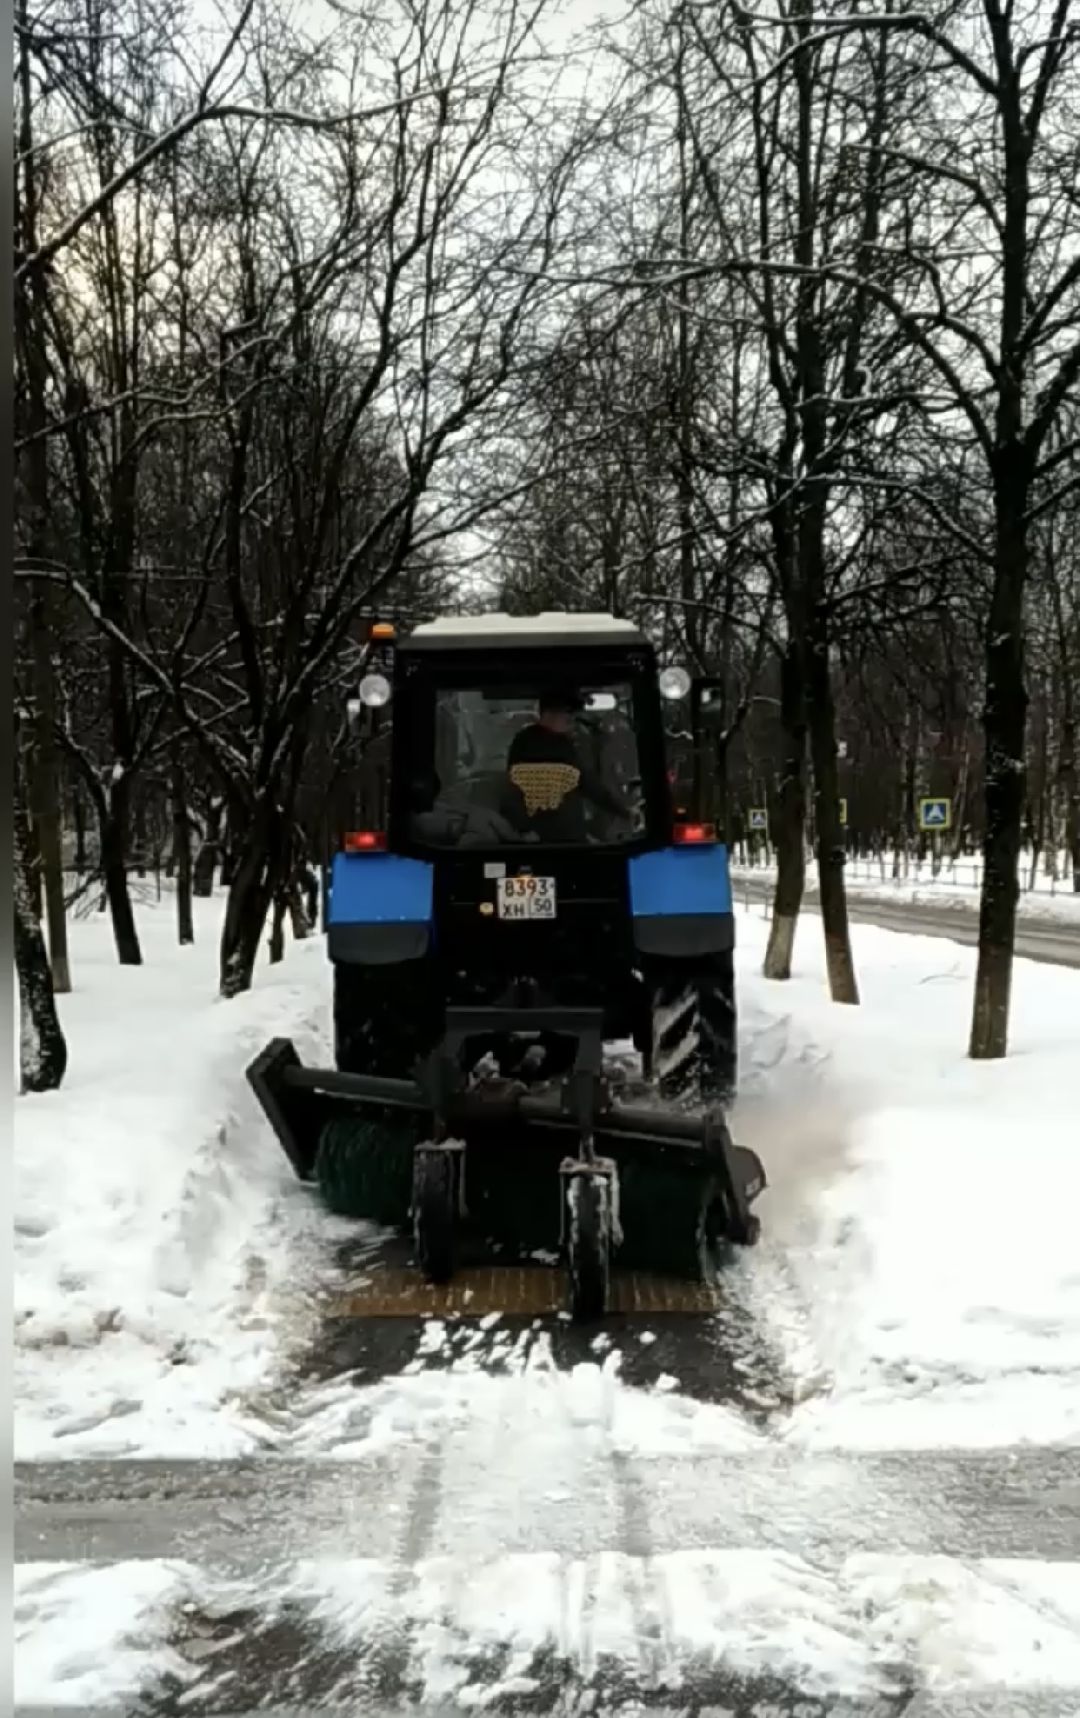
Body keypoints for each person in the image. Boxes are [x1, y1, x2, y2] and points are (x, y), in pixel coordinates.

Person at [503, 690, 629, 841]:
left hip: (554, 837)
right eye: (567, 712)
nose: (571, 719)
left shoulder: (530, 742)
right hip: (556, 838)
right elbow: (589, 785)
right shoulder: (542, 745)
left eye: (573, 714)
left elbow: (589, 785)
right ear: (548, 713)